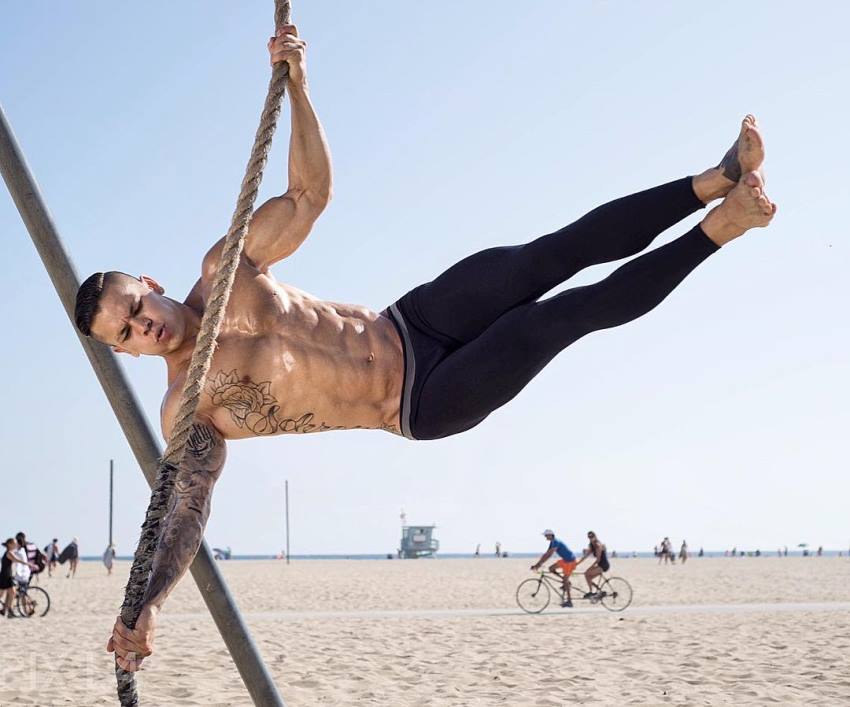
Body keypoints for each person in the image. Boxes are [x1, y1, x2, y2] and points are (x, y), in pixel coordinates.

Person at [80, 27, 776, 672]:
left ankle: (714, 178)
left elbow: (308, 195)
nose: (146, 327)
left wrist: (297, 81)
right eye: (127, 333)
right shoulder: (187, 405)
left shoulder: (223, 268)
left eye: (137, 307)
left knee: (545, 256)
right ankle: (723, 227)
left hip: (411, 322)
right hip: (419, 401)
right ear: (126, 353)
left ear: (151, 283)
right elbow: (188, 507)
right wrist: (148, 605)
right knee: (558, 317)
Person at [531, 530, 577, 607]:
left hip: (570, 561)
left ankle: (569, 601)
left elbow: (549, 555)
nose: (545, 537)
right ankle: (566, 581)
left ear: (550, 535)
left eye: (546, 535)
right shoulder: (552, 542)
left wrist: (538, 565)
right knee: (551, 568)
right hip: (565, 560)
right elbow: (546, 554)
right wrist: (537, 564)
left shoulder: (555, 542)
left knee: (565, 580)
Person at [1, 538, 31, 617]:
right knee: (8, 593)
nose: (16, 544)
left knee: (11, 593)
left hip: (8, 576)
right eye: (14, 543)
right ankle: (9, 610)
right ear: (10, 544)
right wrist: (28, 564)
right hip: (5, 576)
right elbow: (17, 560)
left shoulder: (9, 552)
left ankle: (5, 610)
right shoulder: (9, 553)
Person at [578, 530, 610, 597]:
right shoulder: (591, 545)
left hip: (603, 565)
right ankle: (599, 591)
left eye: (592, 537)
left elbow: (598, 560)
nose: (591, 538)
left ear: (595, 536)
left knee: (587, 573)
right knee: (588, 577)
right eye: (589, 537)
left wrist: (590, 568)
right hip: (600, 565)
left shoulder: (598, 545)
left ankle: (591, 592)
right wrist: (576, 564)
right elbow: (585, 556)